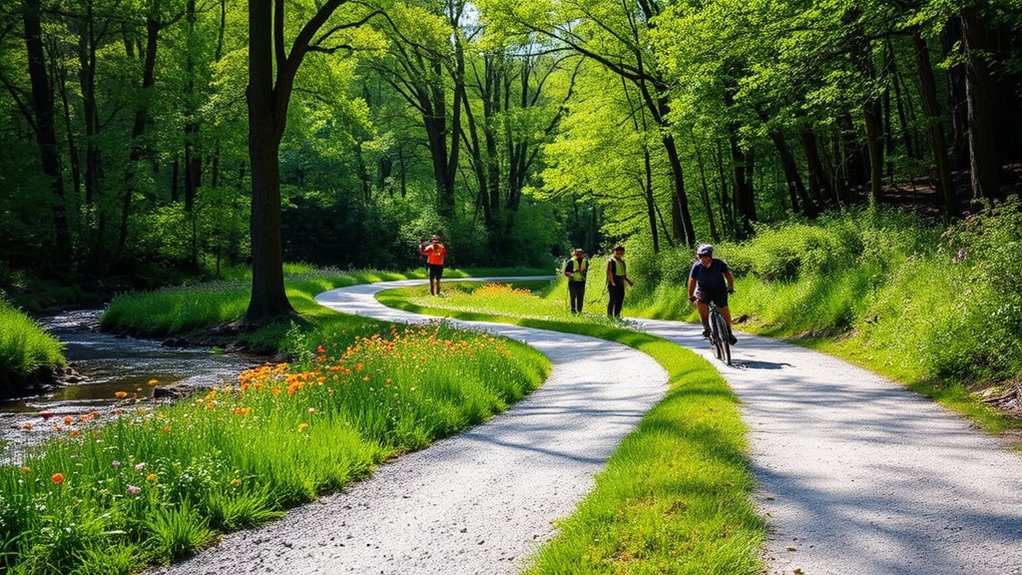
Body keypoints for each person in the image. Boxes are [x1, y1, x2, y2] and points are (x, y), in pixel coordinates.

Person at [687, 244, 737, 344]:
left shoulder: (719, 263)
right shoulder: (696, 266)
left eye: (707, 256)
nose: (705, 259)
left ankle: (728, 332)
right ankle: (706, 327)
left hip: (719, 289)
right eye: (702, 257)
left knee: (723, 308)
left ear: (711, 255)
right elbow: (692, 281)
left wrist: (730, 287)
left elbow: (728, 275)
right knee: (701, 302)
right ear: (699, 257)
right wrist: (691, 295)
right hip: (704, 290)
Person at [606, 245, 633, 317]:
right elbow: (610, 272)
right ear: (615, 252)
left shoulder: (622, 262)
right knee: (613, 299)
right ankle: (609, 315)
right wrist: (612, 282)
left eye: (621, 252)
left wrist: (628, 281)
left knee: (620, 298)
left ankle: (617, 314)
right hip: (613, 281)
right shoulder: (611, 260)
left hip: (620, 281)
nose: (620, 254)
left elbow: (623, 273)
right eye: (618, 252)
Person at [563, 248, 589, 314]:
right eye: (578, 254)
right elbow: (566, 272)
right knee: (573, 296)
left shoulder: (586, 261)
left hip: (582, 281)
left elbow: (587, 271)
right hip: (573, 282)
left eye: (581, 253)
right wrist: (570, 275)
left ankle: (579, 311)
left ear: (583, 254)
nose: (580, 255)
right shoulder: (571, 261)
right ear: (575, 254)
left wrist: (584, 273)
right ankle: (573, 310)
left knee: (580, 297)